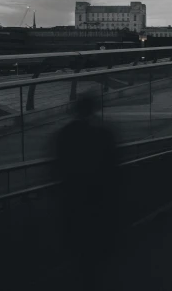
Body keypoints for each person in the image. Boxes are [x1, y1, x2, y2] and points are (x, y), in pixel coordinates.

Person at [53, 94, 120, 291]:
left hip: (73, 200)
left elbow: (57, 168)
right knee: (98, 249)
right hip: (99, 200)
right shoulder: (105, 133)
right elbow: (114, 168)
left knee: (78, 248)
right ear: (94, 109)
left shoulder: (64, 134)